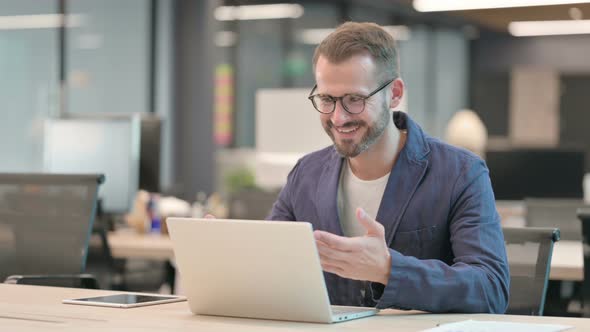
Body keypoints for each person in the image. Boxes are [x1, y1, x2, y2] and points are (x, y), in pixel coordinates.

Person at [267, 22, 509, 313]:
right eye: (327, 99)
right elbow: (270, 262)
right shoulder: (306, 174)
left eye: (355, 99)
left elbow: (490, 288)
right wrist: (224, 254)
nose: (339, 118)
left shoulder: (460, 173)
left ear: (394, 93)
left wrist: (389, 269)